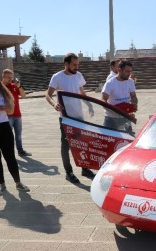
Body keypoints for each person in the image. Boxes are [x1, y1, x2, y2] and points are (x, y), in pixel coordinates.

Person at [45, 53, 95, 184]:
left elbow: (82, 92)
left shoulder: (78, 76)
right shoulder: (57, 77)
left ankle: (85, 168)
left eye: (77, 64)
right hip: (65, 118)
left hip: (79, 117)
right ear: (66, 64)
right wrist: (54, 104)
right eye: (74, 64)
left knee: (82, 144)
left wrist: (89, 104)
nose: (76, 67)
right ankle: (69, 172)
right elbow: (48, 94)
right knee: (66, 146)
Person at [0, 68, 30, 196]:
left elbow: (11, 110)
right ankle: (2, 185)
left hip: (4, 128)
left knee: (10, 157)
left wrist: (5, 107)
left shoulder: (3, 92)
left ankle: (18, 183)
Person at [1, 69, 32, 157]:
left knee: (18, 135)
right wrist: (3, 84)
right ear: (3, 76)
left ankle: (20, 151)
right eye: (8, 77)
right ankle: (8, 152)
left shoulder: (14, 86)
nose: (10, 79)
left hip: (17, 115)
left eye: (11, 77)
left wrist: (19, 86)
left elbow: (24, 96)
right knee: (8, 136)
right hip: (7, 116)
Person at [102, 60, 138, 133]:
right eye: (127, 71)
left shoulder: (130, 82)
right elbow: (103, 100)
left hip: (125, 117)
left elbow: (133, 96)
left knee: (128, 141)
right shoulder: (110, 83)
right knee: (109, 141)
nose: (129, 74)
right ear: (119, 70)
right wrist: (114, 110)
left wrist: (133, 105)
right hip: (111, 119)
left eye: (130, 71)